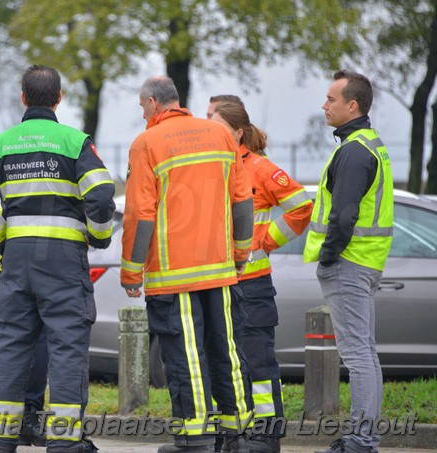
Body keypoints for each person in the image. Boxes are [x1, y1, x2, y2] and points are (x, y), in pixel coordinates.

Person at [0, 64, 115, 453]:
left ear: (23, 98)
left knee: (11, 346)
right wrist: (97, 237)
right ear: (59, 98)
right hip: (63, 262)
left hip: (17, 261)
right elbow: (99, 198)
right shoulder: (74, 141)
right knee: (66, 347)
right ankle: (64, 444)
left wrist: (3, 240)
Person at [121, 76, 255, 453]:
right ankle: (237, 435)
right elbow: (242, 200)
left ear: (151, 103)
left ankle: (194, 438)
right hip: (221, 269)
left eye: (141, 105)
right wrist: (240, 254)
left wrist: (131, 272)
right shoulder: (219, 135)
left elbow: (139, 215)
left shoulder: (147, 143)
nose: (142, 111)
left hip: (173, 273)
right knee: (227, 350)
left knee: (185, 356)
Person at [209, 100, 314, 453]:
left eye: (215, 121)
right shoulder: (210, 167)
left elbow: (301, 207)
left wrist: (267, 241)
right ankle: (232, 432)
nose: (208, 125)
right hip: (218, 282)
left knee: (258, 363)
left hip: (252, 284)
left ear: (237, 131)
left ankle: (266, 435)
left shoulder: (259, 168)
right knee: (226, 363)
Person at [304, 70, 393, 453]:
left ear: (351, 105)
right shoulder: (370, 144)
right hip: (364, 262)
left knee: (357, 354)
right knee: (366, 353)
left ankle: (361, 439)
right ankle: (365, 437)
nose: (324, 105)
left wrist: (328, 256)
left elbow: (343, 215)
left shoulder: (354, 150)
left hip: (349, 262)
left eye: (331, 99)